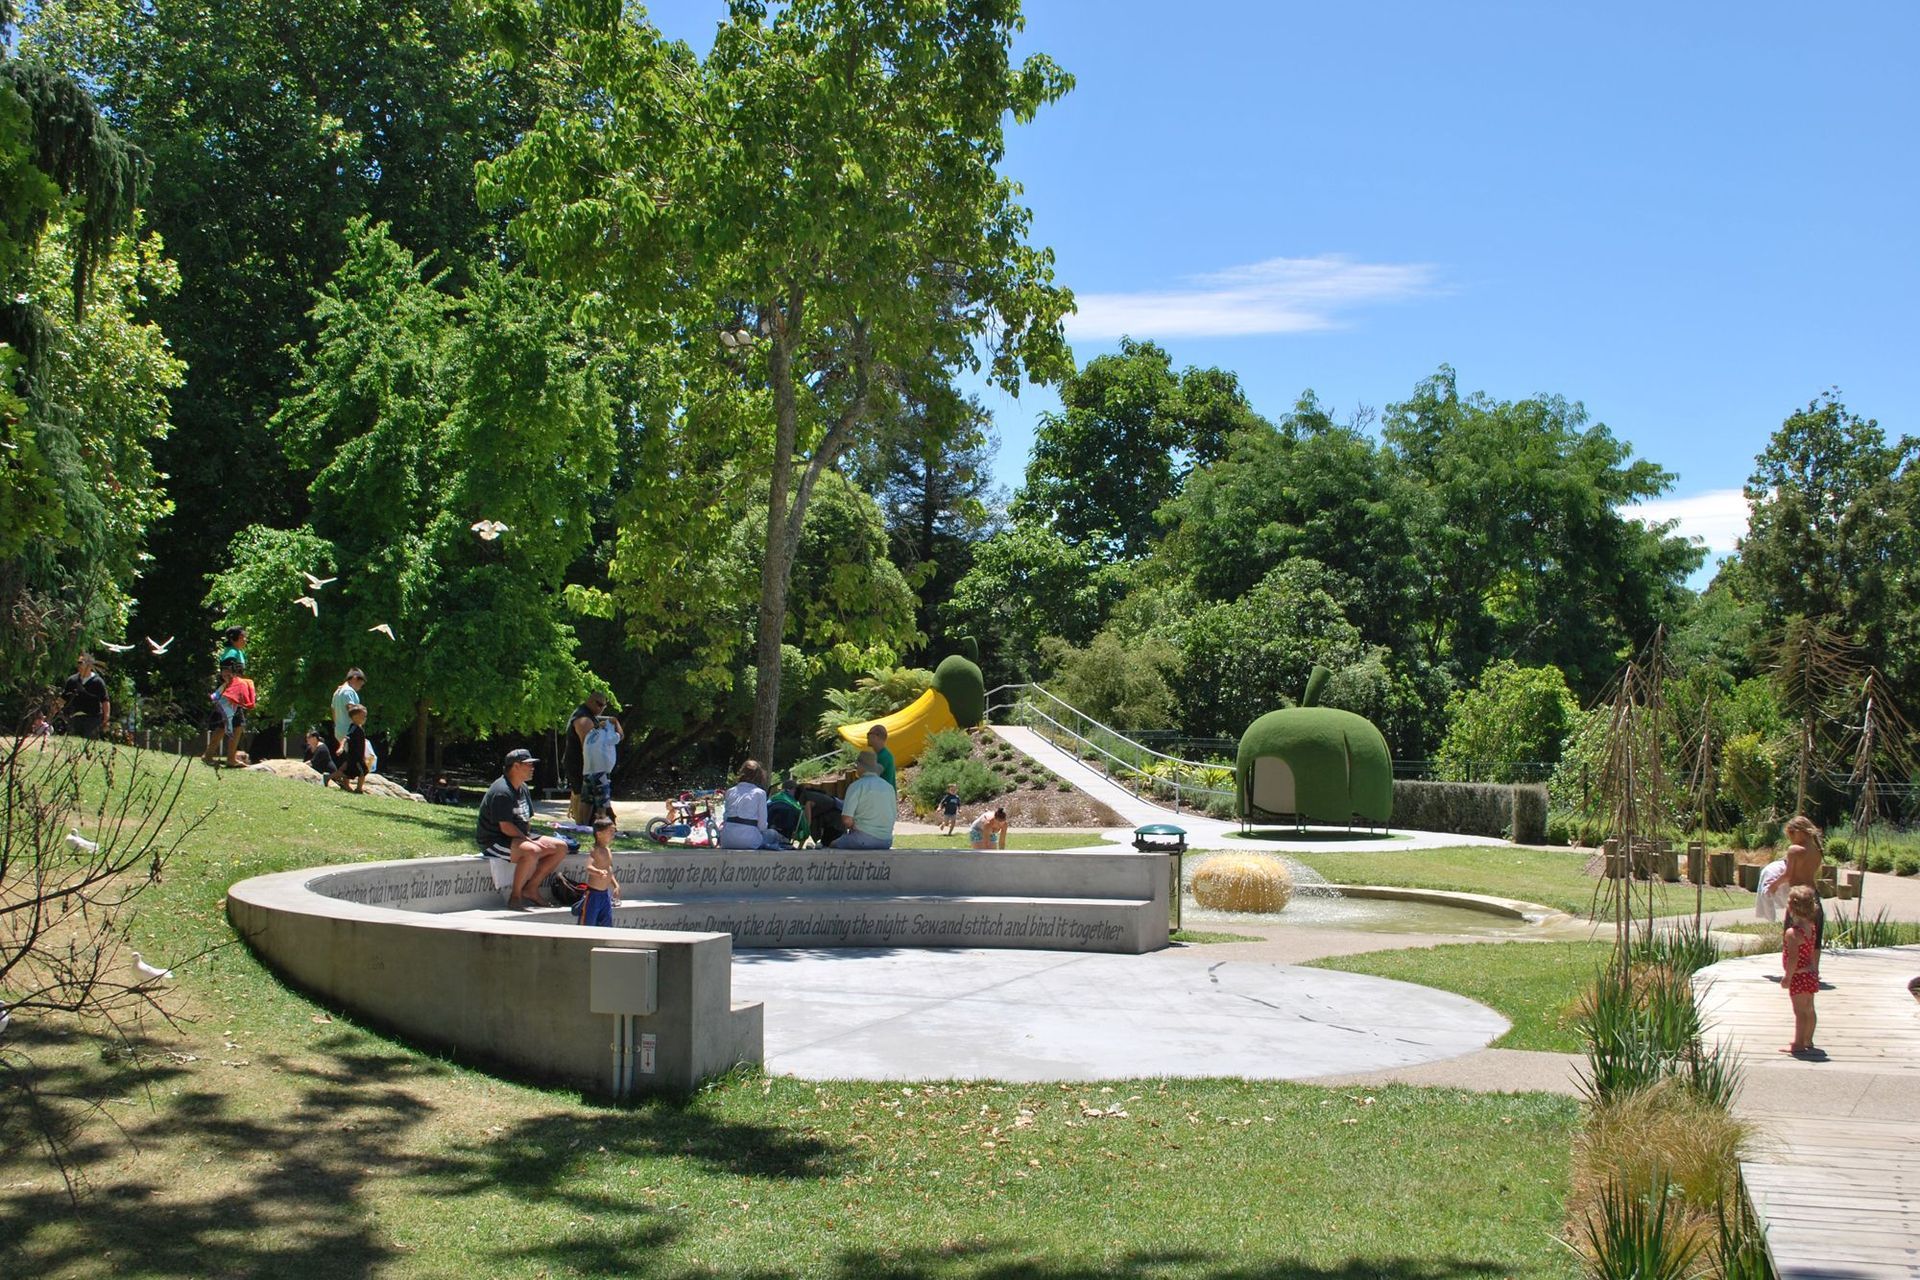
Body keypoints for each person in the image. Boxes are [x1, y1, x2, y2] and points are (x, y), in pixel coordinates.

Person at [477, 748, 570, 910]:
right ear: (515, 766)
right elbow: (506, 827)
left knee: (560, 847)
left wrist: (531, 838)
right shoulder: (502, 792)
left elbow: (526, 820)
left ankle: (531, 889)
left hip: (517, 836)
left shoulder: (523, 788)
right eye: (528, 764)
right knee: (532, 851)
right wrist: (528, 841)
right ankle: (515, 897)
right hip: (495, 840)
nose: (532, 768)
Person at [1781, 884, 1822, 1057]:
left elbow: (1793, 958)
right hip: (1810, 973)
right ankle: (1808, 1040)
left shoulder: (1792, 933)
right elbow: (1810, 952)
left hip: (1799, 976)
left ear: (1791, 908)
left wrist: (1788, 977)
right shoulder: (1811, 928)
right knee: (1809, 1009)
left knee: (1799, 1011)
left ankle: (1798, 1043)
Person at [830, 750, 896, 850]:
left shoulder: (856, 786)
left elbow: (846, 820)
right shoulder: (889, 787)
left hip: (862, 839)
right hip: (886, 841)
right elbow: (893, 815)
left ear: (860, 767)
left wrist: (853, 826)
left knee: (832, 845)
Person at [562, 691, 609, 824]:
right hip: (580, 765)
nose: (601, 708)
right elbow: (588, 747)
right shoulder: (583, 718)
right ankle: (581, 826)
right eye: (599, 704)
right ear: (590, 701)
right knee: (584, 796)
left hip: (585, 765)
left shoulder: (588, 716)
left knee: (585, 796)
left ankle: (586, 825)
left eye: (604, 706)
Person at [1783, 815, 1826, 949]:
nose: (1790, 837)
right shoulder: (1817, 850)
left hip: (1798, 897)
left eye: (1791, 833)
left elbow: (1788, 875)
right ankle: (1814, 964)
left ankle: (1792, 964)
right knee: (1814, 939)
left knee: (1792, 939)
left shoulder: (1794, 850)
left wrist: (1773, 885)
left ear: (1799, 832)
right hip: (1813, 895)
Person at [720, 760, 780, 849]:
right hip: (748, 840)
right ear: (759, 776)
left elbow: (725, 818)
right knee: (773, 834)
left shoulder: (730, 791)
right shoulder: (760, 793)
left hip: (726, 840)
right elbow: (762, 826)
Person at [575, 818, 621, 927]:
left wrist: (615, 885)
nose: (613, 834)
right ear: (599, 834)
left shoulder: (608, 850)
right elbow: (589, 867)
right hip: (593, 895)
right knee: (588, 923)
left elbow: (609, 869)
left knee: (606, 923)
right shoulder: (595, 850)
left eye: (614, 831)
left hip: (605, 895)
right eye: (610, 831)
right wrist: (598, 871)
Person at [581, 711, 623, 822]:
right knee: (602, 801)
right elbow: (621, 736)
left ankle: (583, 825)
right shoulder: (607, 735)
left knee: (587, 801)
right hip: (601, 772)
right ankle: (601, 824)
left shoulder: (590, 734)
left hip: (587, 772)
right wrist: (616, 722)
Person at [57, 654, 111, 739]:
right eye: (78, 662)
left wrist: (106, 717)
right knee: (72, 741)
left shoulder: (98, 682)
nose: (79, 665)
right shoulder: (72, 680)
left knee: (88, 742)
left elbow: (105, 700)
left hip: (92, 719)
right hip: (74, 717)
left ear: (89, 665)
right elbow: (63, 698)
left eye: (81, 663)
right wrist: (53, 711)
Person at [220, 664, 257, 767]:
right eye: (224, 674)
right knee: (235, 730)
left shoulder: (234, 683)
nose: (225, 676)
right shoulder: (231, 684)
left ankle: (230, 758)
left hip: (232, 708)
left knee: (235, 730)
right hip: (230, 709)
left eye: (228, 674)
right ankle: (230, 759)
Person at [331, 704, 371, 794]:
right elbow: (346, 738)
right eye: (363, 716)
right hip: (355, 757)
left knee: (349, 772)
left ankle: (330, 777)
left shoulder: (358, 727)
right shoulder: (353, 728)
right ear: (355, 717)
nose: (365, 718)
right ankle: (359, 789)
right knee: (363, 772)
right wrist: (341, 747)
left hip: (358, 756)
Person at [768, 777, 810, 846]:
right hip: (785, 837)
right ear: (792, 789)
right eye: (795, 790)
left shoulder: (772, 798)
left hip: (768, 834)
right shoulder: (794, 805)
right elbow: (803, 826)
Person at [331, 668, 366, 748]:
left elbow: (333, 711)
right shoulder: (349, 691)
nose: (359, 688)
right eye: (360, 684)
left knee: (346, 754)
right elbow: (353, 712)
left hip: (339, 731)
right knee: (355, 755)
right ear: (354, 678)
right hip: (350, 732)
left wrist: (338, 726)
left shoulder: (337, 692)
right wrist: (360, 729)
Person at [867, 723, 897, 789]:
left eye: (869, 734)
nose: (867, 737)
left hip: (885, 794)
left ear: (876, 736)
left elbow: (869, 779)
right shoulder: (882, 754)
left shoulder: (883, 756)